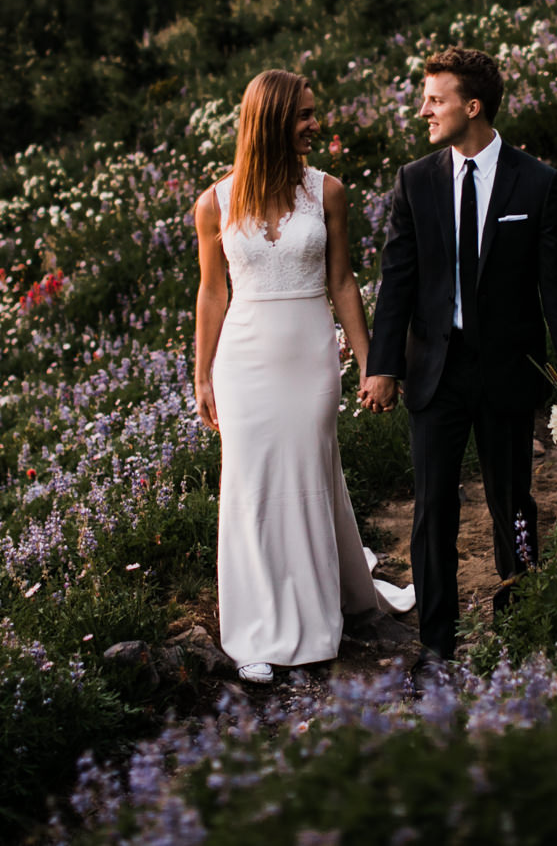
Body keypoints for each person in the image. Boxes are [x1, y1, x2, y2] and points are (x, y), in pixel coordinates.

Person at [360, 47, 557, 664]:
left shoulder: (537, 182)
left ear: (473, 106)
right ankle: (437, 648)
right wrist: (382, 365)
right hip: (434, 371)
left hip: (506, 370)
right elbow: (398, 281)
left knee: (511, 500)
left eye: (435, 100)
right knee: (432, 509)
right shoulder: (416, 180)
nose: (423, 111)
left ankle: (521, 626)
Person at [193, 69, 412, 684]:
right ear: (270, 121)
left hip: (311, 353)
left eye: (315, 113)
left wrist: (372, 362)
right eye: (304, 115)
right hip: (242, 358)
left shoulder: (329, 192)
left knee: (309, 471)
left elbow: (342, 281)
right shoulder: (213, 202)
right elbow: (212, 293)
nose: (317, 124)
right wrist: (202, 373)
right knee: (251, 486)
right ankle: (256, 629)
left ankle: (319, 618)